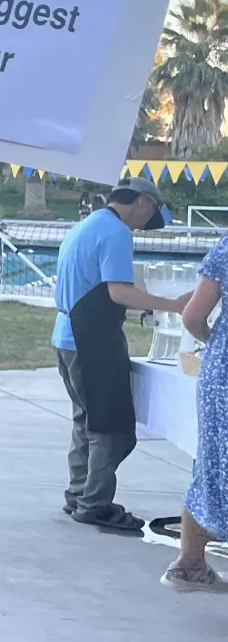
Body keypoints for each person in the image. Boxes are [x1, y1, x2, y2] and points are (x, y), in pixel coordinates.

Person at [53, 175, 192, 534]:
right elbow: (119, 292)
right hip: (92, 340)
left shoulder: (85, 225)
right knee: (111, 429)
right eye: (151, 215)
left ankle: (78, 494)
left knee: (85, 421)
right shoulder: (117, 232)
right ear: (143, 201)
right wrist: (172, 305)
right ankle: (95, 505)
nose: (146, 224)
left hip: (66, 335)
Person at [170, 240, 228, 592]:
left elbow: (192, 316)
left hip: (222, 373)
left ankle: (189, 563)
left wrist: (217, 344)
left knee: (211, 462)